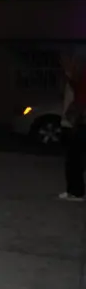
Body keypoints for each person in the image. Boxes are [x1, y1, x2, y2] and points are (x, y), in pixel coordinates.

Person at [59, 52, 86, 201]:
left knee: (75, 158)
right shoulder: (75, 80)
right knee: (72, 158)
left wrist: (76, 121)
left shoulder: (81, 79)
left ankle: (76, 191)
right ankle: (73, 190)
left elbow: (80, 102)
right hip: (74, 122)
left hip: (78, 123)